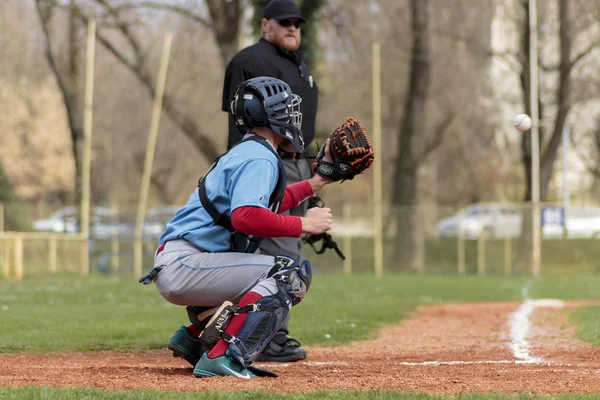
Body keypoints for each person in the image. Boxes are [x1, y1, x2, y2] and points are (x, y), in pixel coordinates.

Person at [141, 77, 333, 379]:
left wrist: (316, 183)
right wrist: (304, 223)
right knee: (287, 274)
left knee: (272, 274)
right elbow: (246, 217)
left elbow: (269, 204)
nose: (292, 114)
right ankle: (224, 356)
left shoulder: (250, 151)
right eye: (285, 108)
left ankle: (195, 340)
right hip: (188, 264)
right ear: (271, 116)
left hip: (186, 261)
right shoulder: (260, 157)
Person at [222, 0, 318, 363]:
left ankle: (257, 328)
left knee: (287, 247)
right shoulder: (250, 60)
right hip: (268, 161)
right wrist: (244, 167)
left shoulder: (300, 66)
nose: (292, 27)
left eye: (297, 22)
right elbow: (239, 120)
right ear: (265, 25)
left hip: (296, 164)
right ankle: (269, 335)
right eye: (284, 21)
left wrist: (310, 177)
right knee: (278, 251)